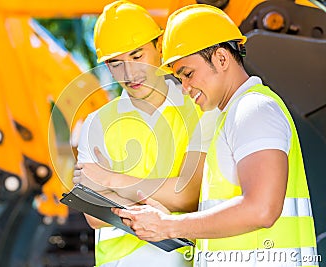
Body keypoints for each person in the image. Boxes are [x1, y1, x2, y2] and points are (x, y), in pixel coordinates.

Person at [113, 4, 318, 267]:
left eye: (188, 74)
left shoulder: (253, 110)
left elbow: (262, 209)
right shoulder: (233, 116)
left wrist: (170, 226)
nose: (185, 88)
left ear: (222, 59)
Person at [73, 1, 219, 266]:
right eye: (116, 63)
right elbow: (94, 214)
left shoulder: (199, 108)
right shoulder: (97, 123)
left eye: (137, 56)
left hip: (184, 258)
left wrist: (111, 180)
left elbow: (188, 196)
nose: (129, 73)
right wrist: (160, 201)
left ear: (159, 47)